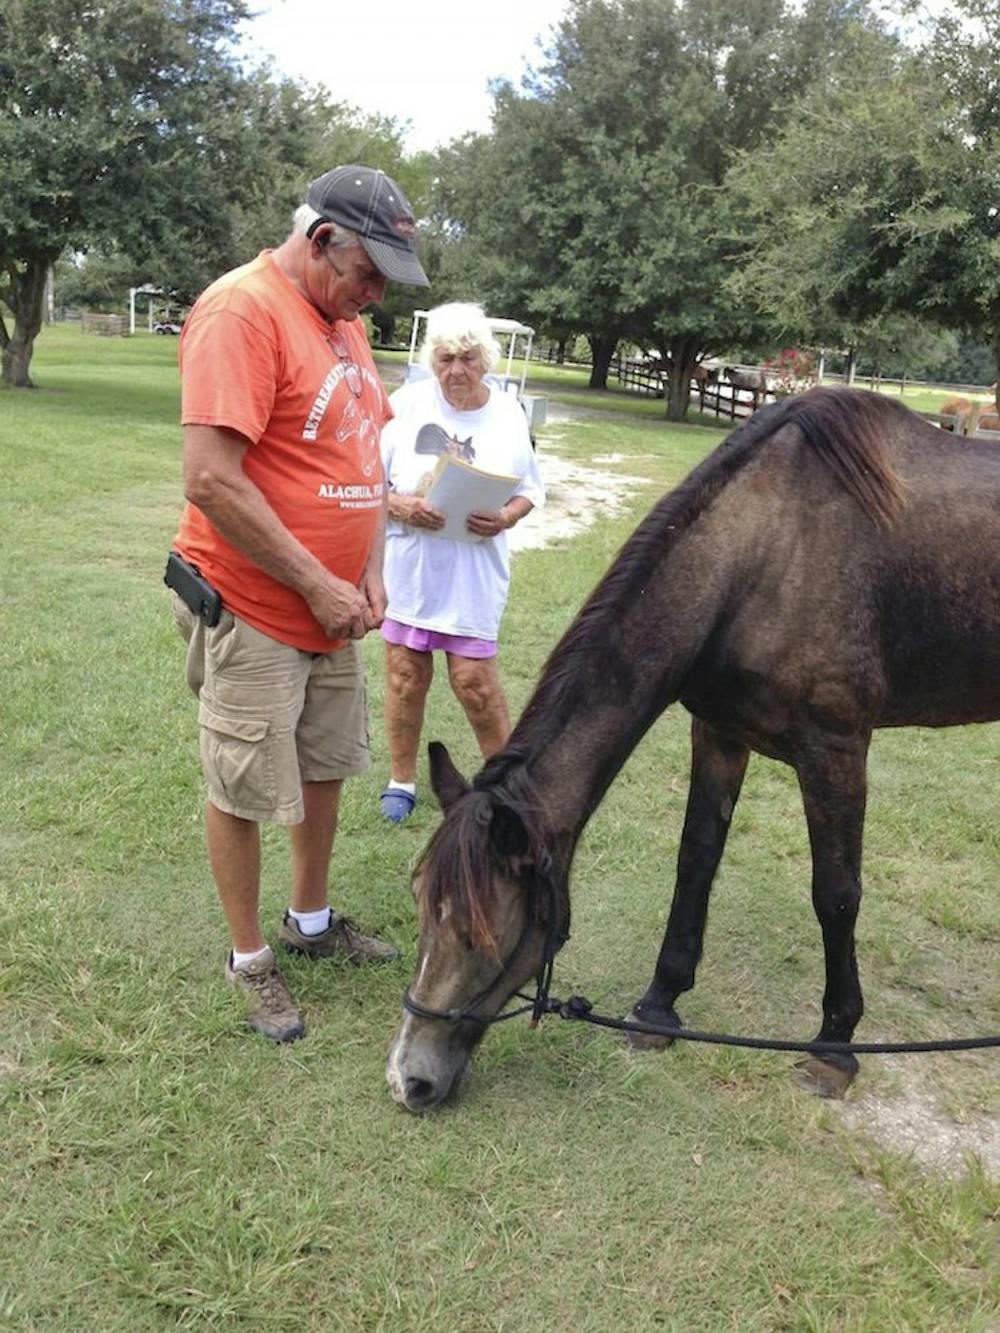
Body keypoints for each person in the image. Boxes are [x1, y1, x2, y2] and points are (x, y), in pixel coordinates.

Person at [169, 165, 429, 1042]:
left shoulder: (344, 323)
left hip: (335, 610)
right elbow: (211, 478)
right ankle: (251, 960)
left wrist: (371, 568)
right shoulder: (242, 312)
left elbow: (364, 460)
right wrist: (316, 582)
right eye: (369, 272)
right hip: (254, 605)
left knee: (324, 767)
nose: (377, 294)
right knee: (244, 782)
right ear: (323, 241)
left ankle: (308, 923)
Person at [377, 303, 545, 822]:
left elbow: (529, 489)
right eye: (446, 357)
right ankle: (401, 779)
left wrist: (506, 518)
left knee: (475, 683)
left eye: (468, 358)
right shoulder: (405, 404)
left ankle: (508, 788)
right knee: (405, 674)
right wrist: (400, 504)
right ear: (433, 358)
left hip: (473, 572)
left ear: (486, 360)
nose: (456, 370)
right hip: (413, 568)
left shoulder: (508, 414)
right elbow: (367, 480)